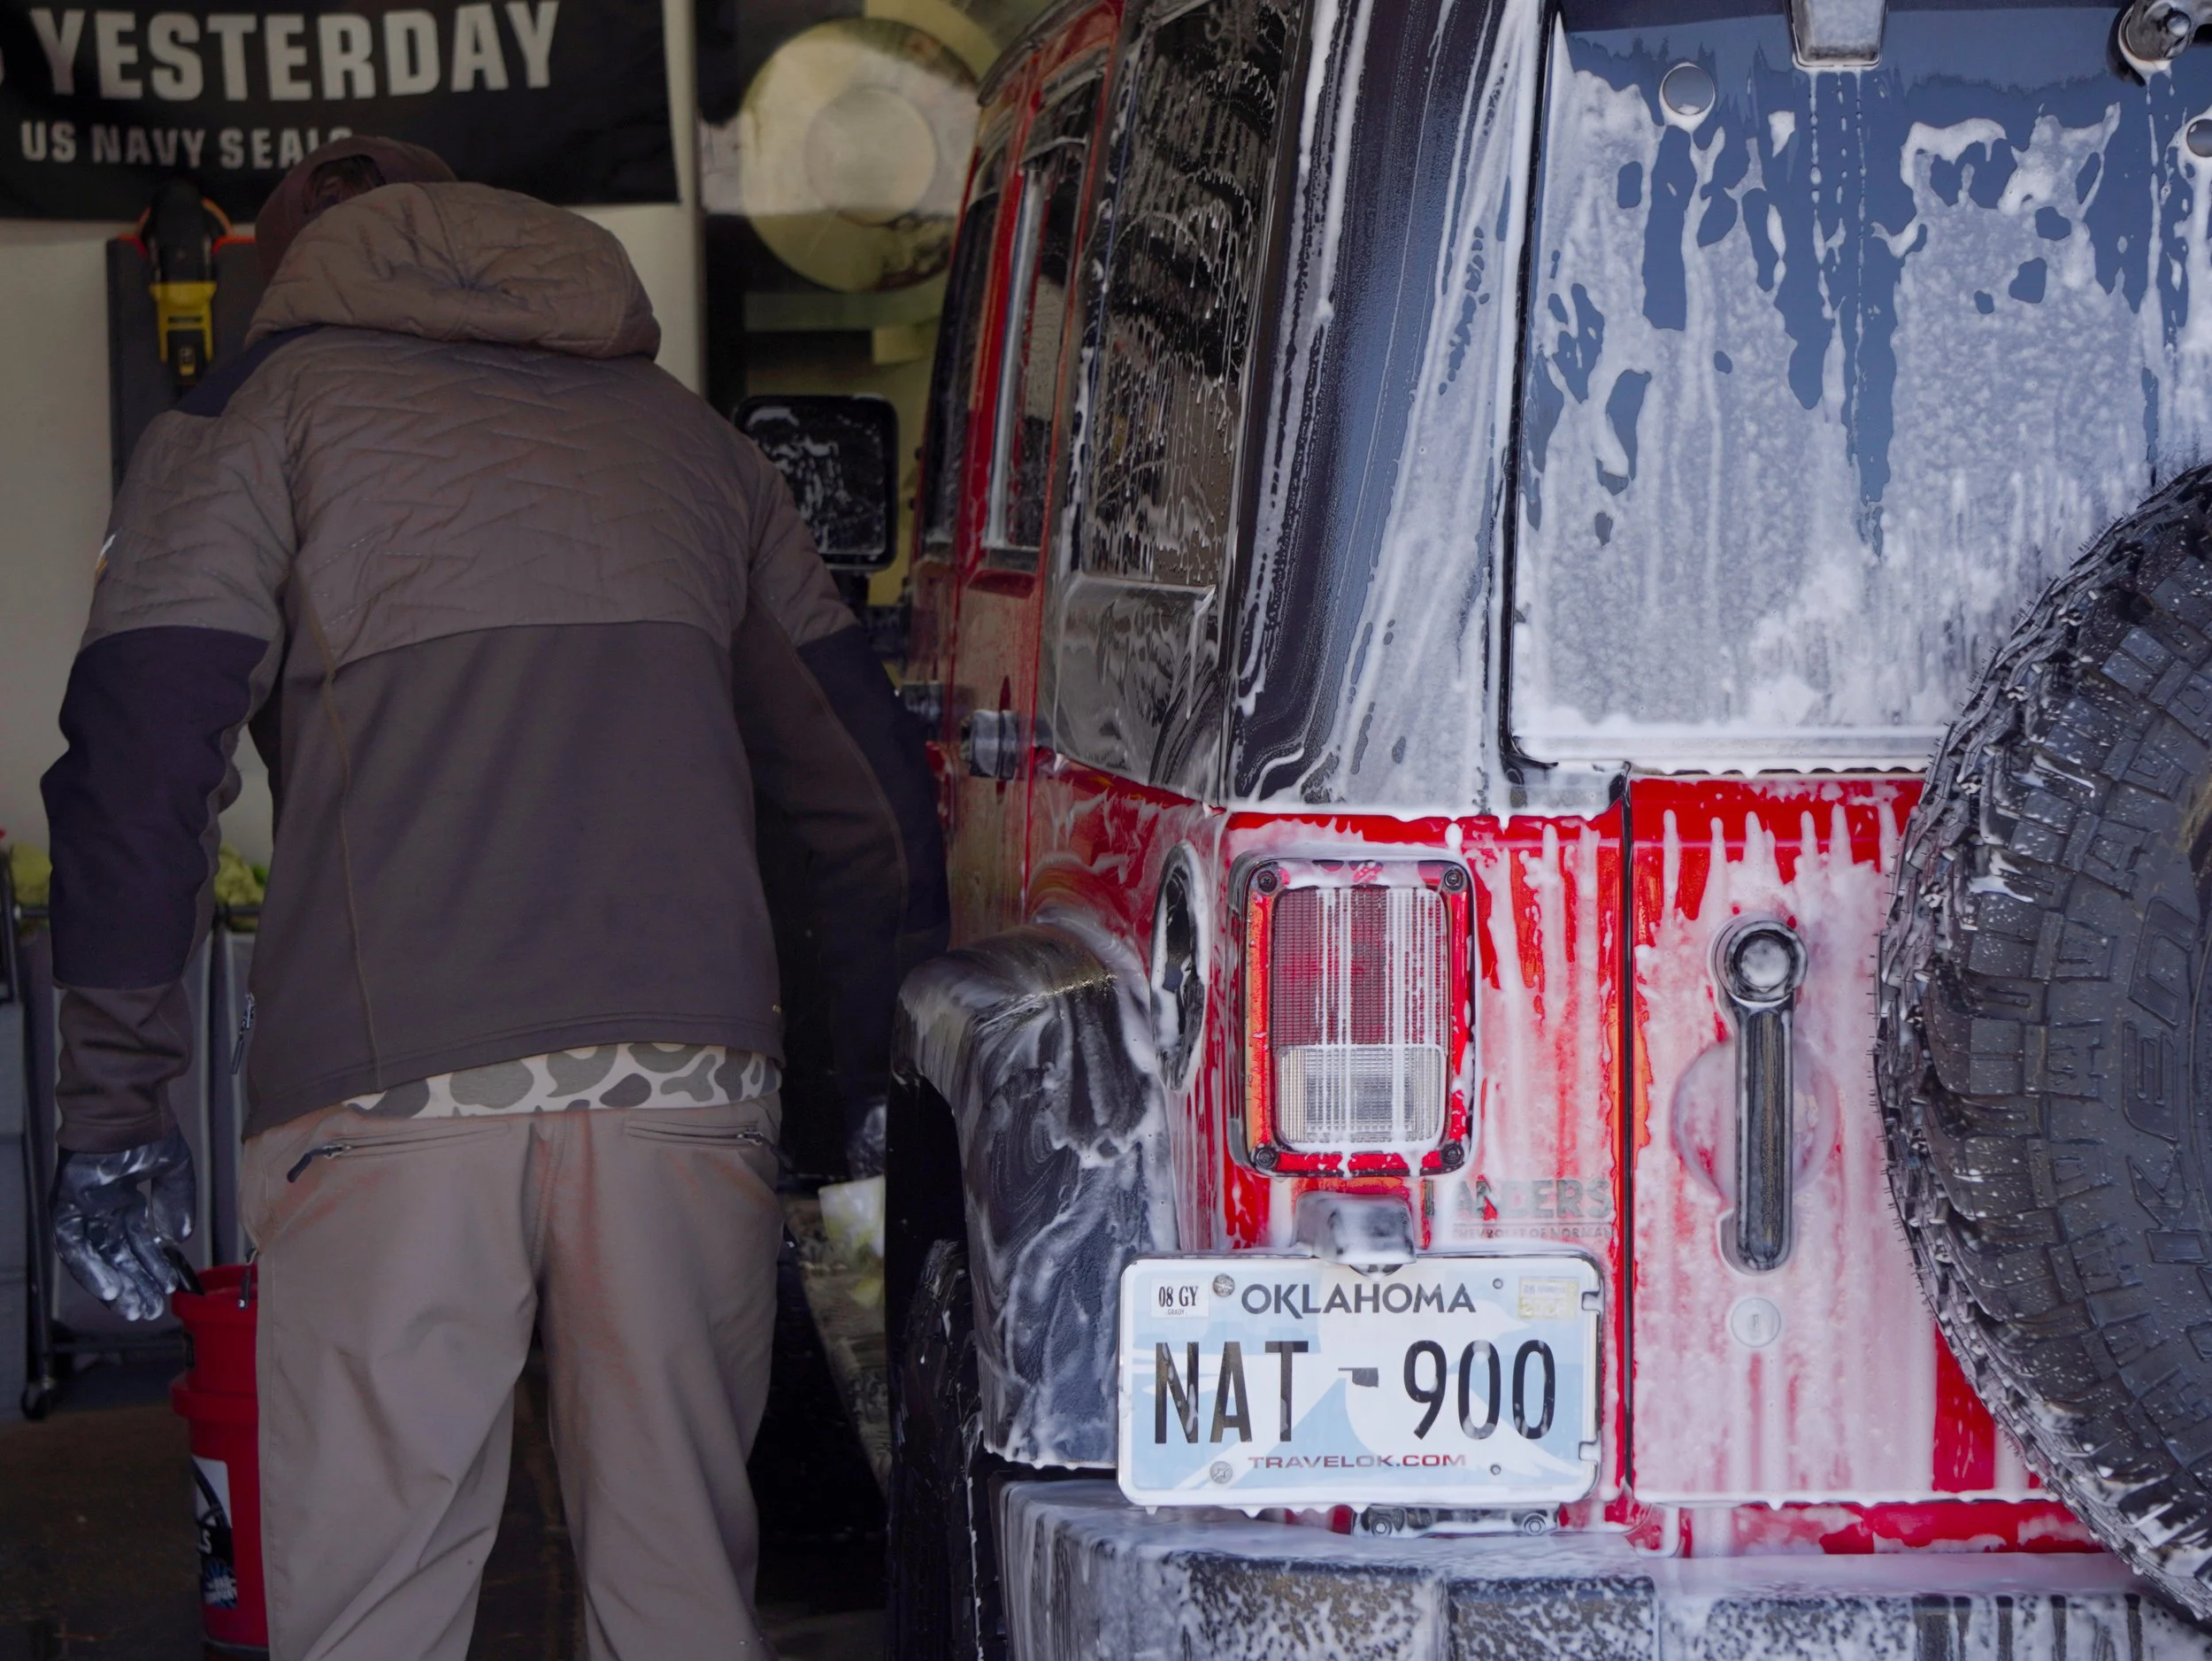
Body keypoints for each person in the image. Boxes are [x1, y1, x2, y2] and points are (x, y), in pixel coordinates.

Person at [41, 135, 945, 1658]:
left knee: (379, 1601)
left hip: (393, 1091)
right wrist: (864, 1088)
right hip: (687, 1081)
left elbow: (138, 762)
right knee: (677, 1600)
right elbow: (865, 798)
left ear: (287, 262)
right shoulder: (686, 440)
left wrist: (115, 1115)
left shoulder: (259, 414)